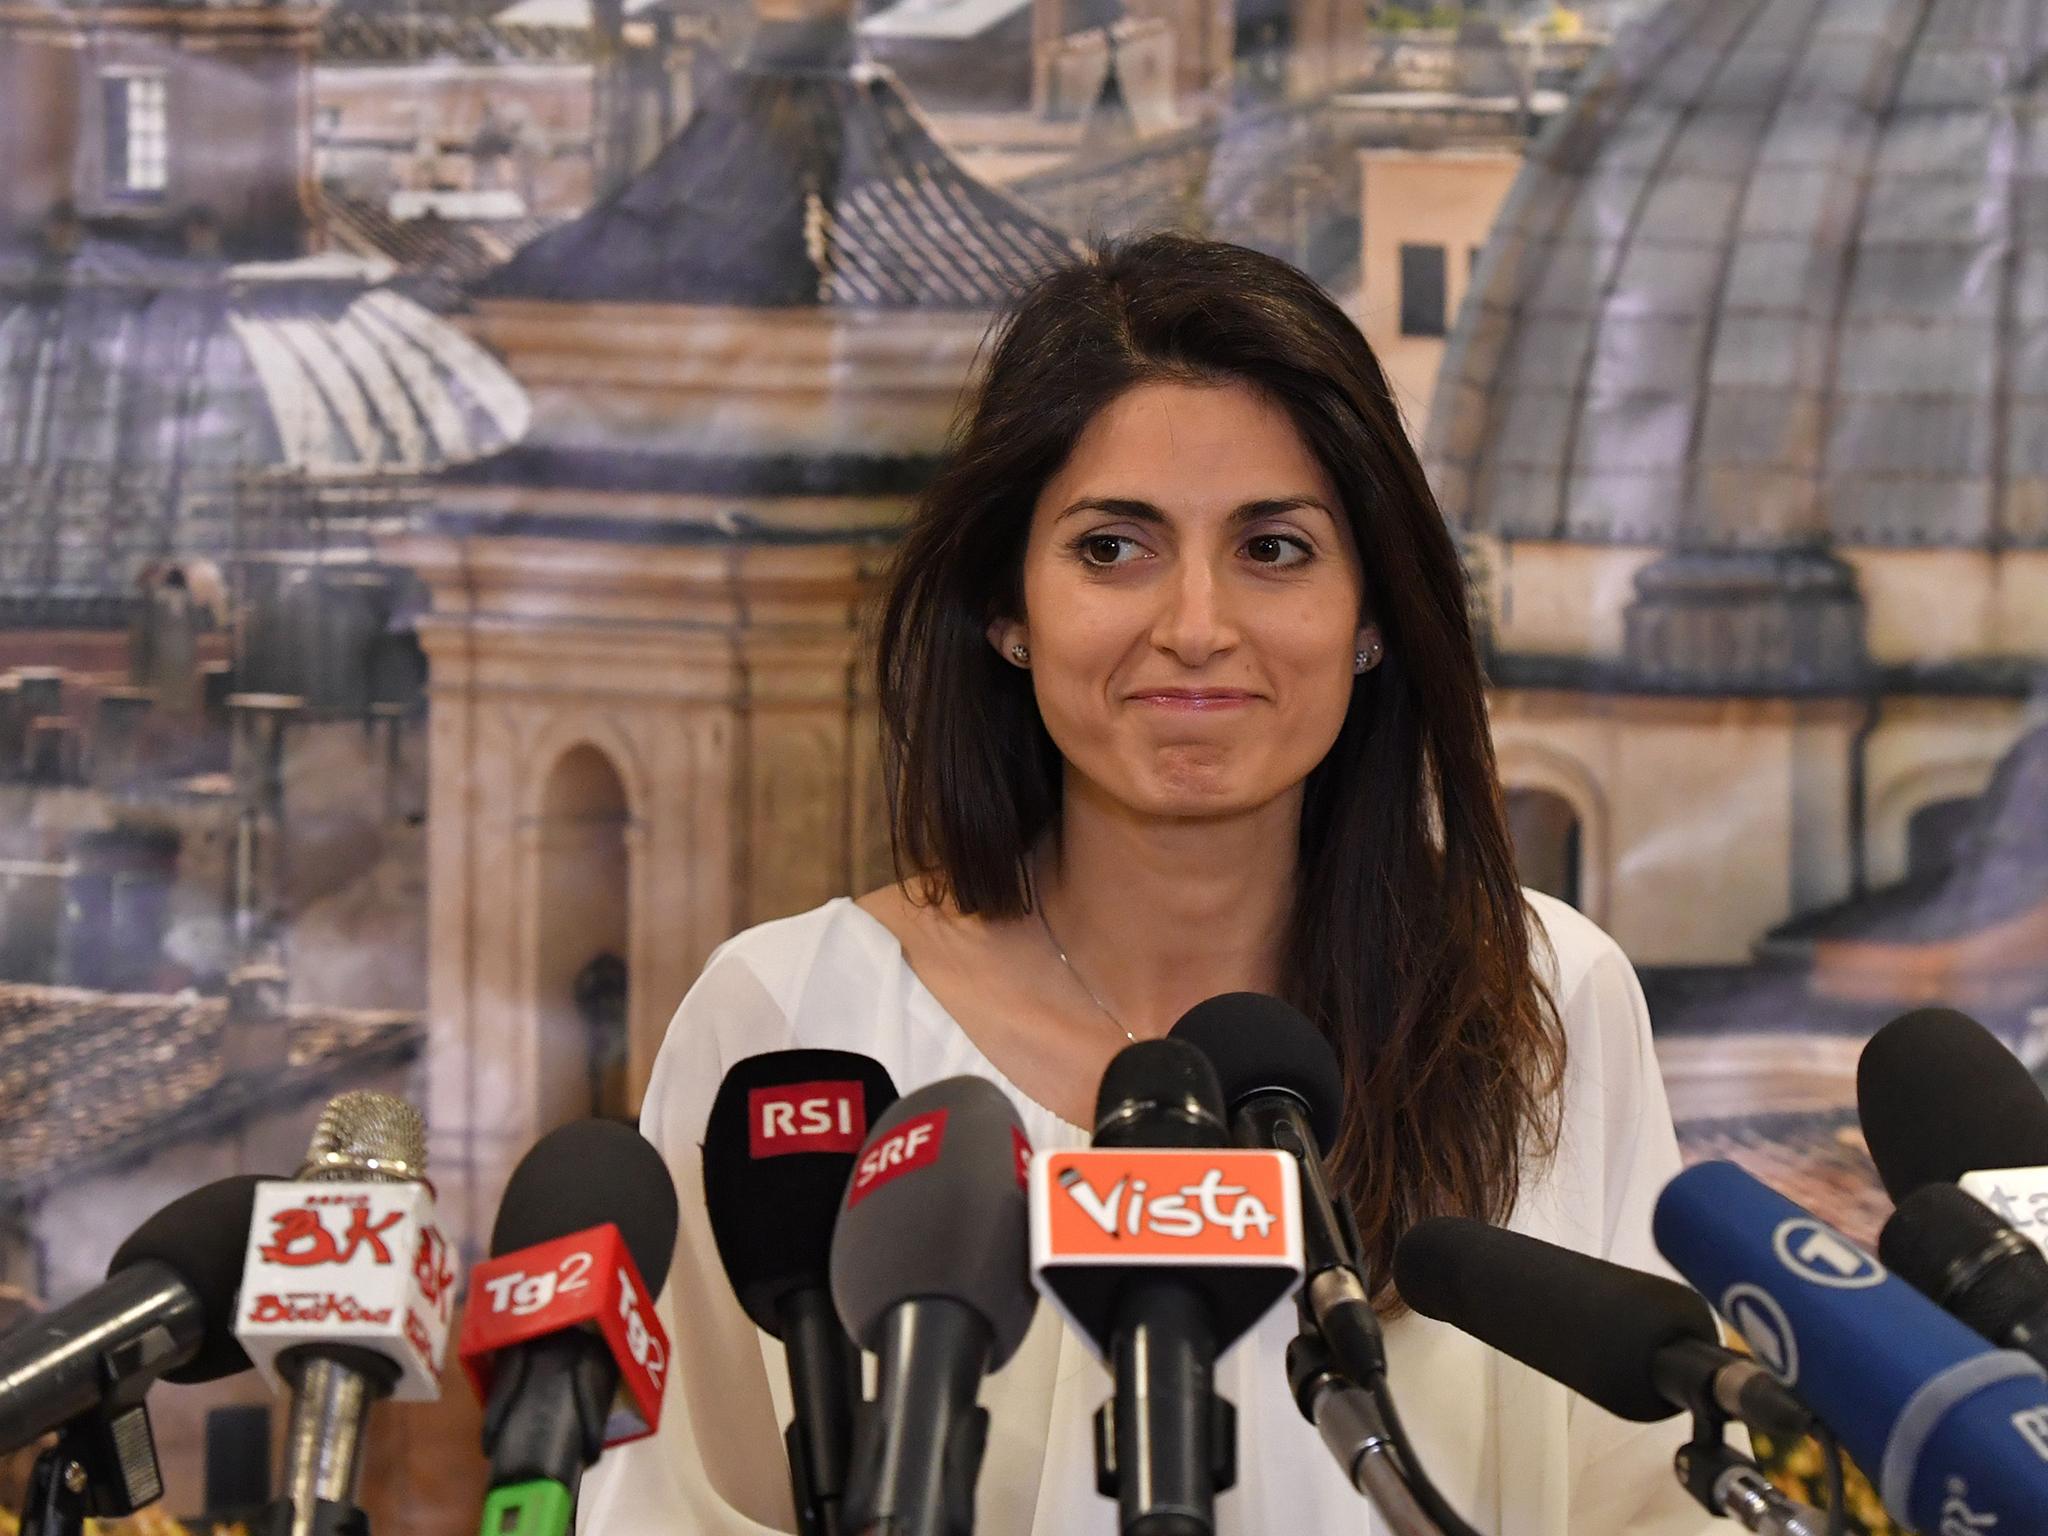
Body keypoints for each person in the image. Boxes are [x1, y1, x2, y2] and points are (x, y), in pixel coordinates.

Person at [578, 234, 1720, 1534]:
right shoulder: (793, 1024)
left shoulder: (1540, 998)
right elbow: (673, 1503)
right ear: (1008, 607)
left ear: (1374, 614)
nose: (1193, 625)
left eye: (1273, 549)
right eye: (1114, 548)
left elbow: (1652, 1501)